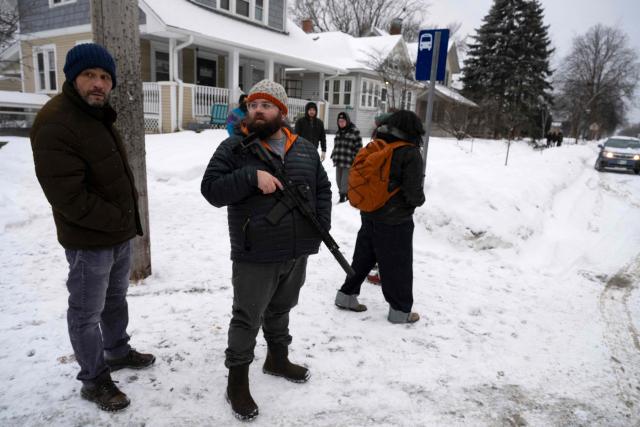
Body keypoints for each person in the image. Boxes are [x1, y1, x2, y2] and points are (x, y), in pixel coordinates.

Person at [29, 43, 155, 412]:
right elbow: (68, 196)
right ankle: (93, 378)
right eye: (89, 75)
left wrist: (123, 223)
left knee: (115, 300)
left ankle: (116, 351)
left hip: (116, 234)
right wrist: (120, 219)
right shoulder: (56, 121)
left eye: (104, 77)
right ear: (73, 77)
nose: (98, 83)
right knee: (85, 312)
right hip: (88, 240)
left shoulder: (95, 114)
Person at [201, 80, 332, 421]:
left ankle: (276, 358)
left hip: (296, 248)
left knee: (282, 308)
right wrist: (249, 177)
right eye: (253, 105)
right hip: (255, 249)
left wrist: (321, 226)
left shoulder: (303, 148)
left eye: (267, 105)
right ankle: (237, 383)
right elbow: (211, 190)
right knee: (247, 317)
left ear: (281, 111)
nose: (258, 110)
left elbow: (323, 188)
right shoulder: (234, 149)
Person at [334, 110, 426, 324]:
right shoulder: (409, 152)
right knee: (398, 265)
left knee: (364, 257)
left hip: (369, 212)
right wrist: (419, 200)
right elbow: (413, 193)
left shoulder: (378, 144)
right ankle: (400, 311)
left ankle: (346, 295)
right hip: (396, 219)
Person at [331, 111, 362, 203]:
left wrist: (354, 158)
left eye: (343, 121)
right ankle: (346, 194)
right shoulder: (338, 132)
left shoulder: (354, 131)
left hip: (349, 161)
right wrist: (333, 154)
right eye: (339, 121)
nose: (341, 123)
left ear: (347, 121)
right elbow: (336, 145)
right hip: (339, 159)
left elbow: (359, 147)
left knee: (344, 181)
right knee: (338, 180)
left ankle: (343, 197)